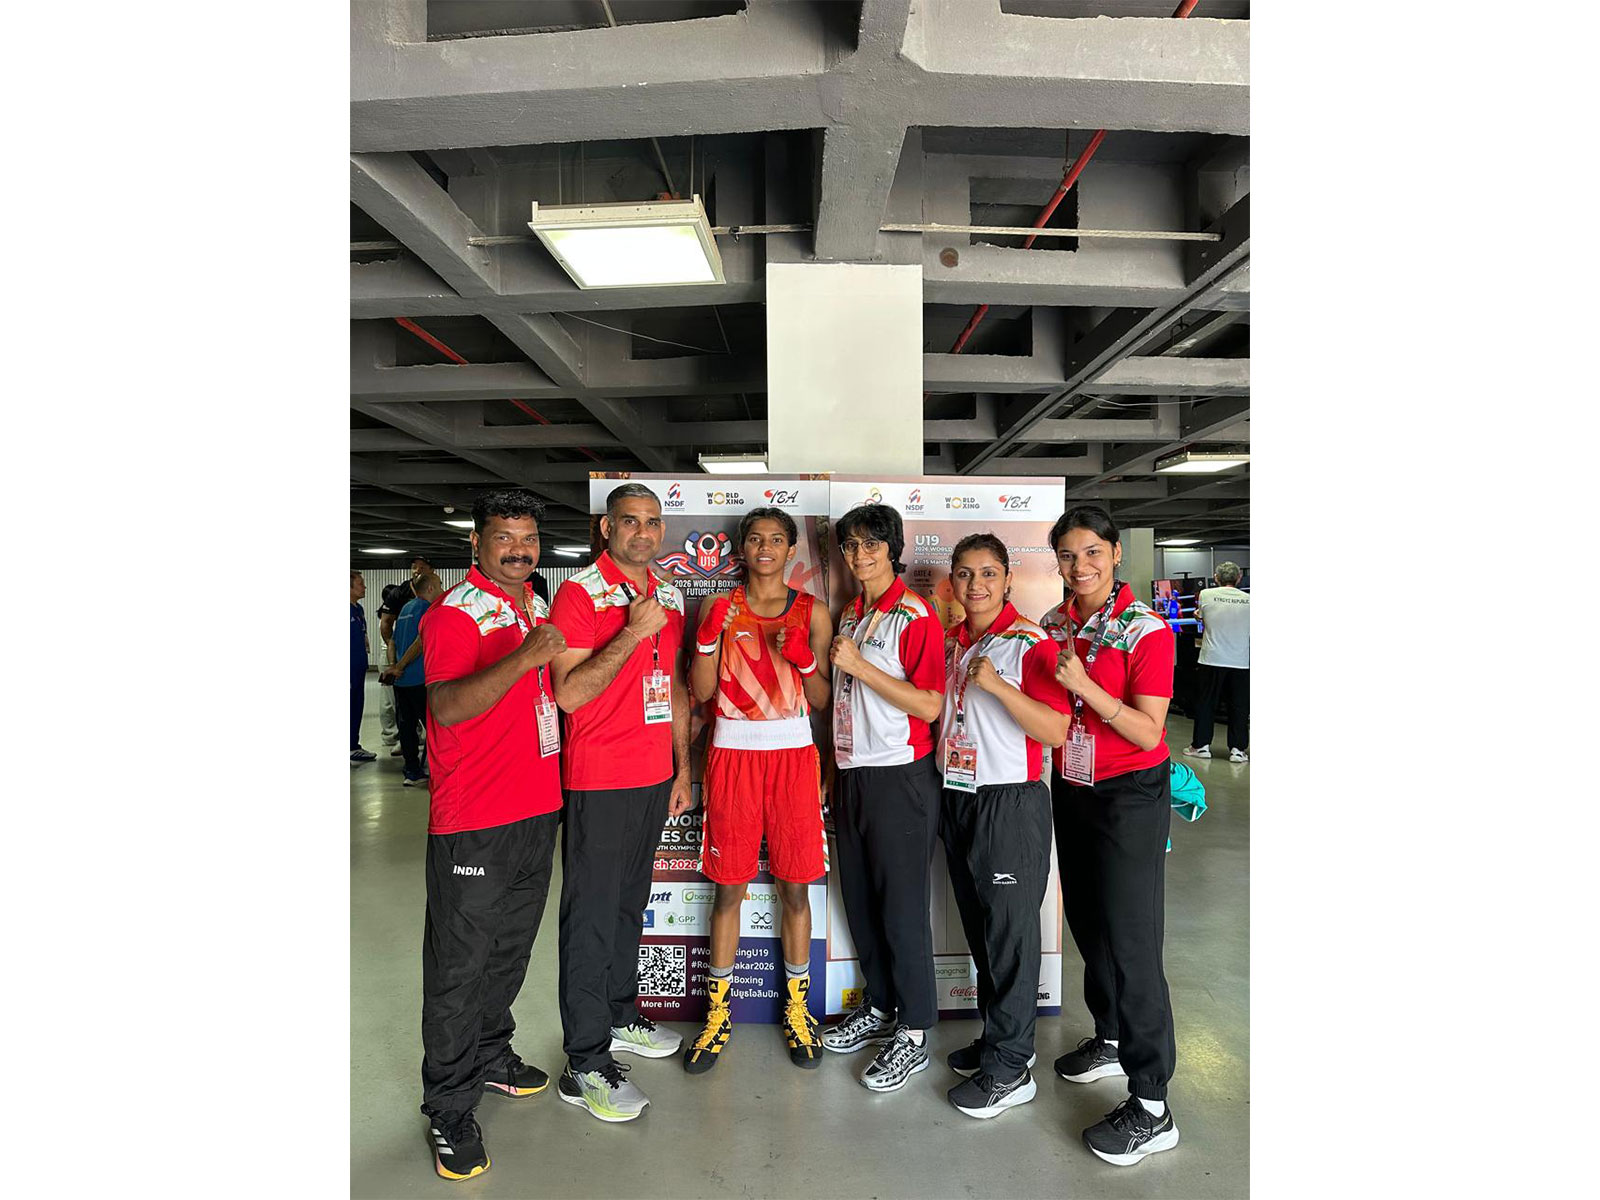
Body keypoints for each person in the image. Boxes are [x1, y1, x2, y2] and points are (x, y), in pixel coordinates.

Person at [414, 490, 569, 1181]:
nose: (518, 551)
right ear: (475, 543)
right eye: (504, 538)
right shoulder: (455, 613)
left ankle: (489, 1053)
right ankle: (449, 1106)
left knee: (508, 949)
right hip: (475, 819)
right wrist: (525, 656)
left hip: (535, 809)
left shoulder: (531, 602)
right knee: (459, 966)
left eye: (528, 539)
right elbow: (446, 707)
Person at [1040, 506, 1181, 1167]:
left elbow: (1149, 731)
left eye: (1092, 552)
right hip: (1073, 784)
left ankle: (1153, 1105)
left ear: (1116, 554)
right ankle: (1113, 1036)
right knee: (1089, 924)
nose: (1080, 566)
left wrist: (1083, 686)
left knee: (1132, 940)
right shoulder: (1057, 623)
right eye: (1068, 556)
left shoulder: (1146, 629)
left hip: (1130, 794)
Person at [548, 482, 693, 1122]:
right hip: (599, 778)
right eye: (630, 521)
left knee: (630, 904)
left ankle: (619, 1013)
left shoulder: (669, 593)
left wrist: (682, 768)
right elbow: (570, 694)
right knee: (591, 917)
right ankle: (584, 1061)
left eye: (653, 521)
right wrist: (632, 633)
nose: (643, 532)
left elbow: (676, 686)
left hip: (653, 775)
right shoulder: (580, 594)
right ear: (607, 529)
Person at [682, 507, 834, 1075]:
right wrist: (705, 641)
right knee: (728, 891)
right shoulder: (719, 606)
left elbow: (822, 699)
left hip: (793, 758)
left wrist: (805, 660)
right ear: (742, 548)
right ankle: (717, 1015)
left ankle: (798, 1011)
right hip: (732, 756)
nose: (765, 547)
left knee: (796, 888)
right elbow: (701, 692)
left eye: (775, 539)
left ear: (791, 550)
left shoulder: (812, 610)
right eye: (754, 538)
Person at [938, 534, 1073, 1119]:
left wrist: (997, 685)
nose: (977, 585)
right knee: (983, 931)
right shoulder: (953, 641)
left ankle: (1012, 1068)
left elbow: (1055, 730)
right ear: (953, 581)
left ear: (1007, 578)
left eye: (988, 573)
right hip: (959, 796)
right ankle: (999, 1037)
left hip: (1009, 802)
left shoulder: (1029, 643)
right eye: (966, 574)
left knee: (1011, 938)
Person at [818, 503, 947, 1092]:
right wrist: (833, 767)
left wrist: (861, 667)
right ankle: (881, 1005)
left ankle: (915, 1032)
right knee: (862, 902)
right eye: (850, 545)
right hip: (853, 774)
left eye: (871, 544)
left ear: (892, 550)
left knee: (901, 908)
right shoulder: (851, 613)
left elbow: (929, 704)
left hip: (900, 775)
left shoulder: (914, 614)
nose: (859, 555)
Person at [1183, 562, 1250, 763]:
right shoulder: (1250, 600)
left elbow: (1203, 618)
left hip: (1211, 659)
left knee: (1206, 703)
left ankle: (1201, 746)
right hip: (1240, 661)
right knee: (1239, 706)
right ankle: (1238, 750)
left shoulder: (1206, 594)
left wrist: (1198, 616)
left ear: (1216, 577)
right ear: (1238, 578)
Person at [390, 573, 442, 786]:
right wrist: (401, 666)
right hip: (421, 678)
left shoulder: (405, 609)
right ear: (430, 588)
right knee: (436, 727)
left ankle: (411, 771)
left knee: (407, 728)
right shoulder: (427, 609)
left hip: (401, 681)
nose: (442, 589)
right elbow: (421, 642)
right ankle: (437, 771)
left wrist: (394, 667)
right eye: (439, 585)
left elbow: (392, 641)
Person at [377, 582, 412, 755]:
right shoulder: (391, 617)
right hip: (391, 658)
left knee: (396, 700)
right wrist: (394, 662)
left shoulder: (403, 614)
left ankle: (403, 735)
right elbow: (391, 640)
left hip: (399, 657)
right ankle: (395, 736)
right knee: (393, 701)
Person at [351, 571, 377, 763]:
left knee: (356, 704)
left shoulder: (358, 609)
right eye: (360, 584)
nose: (364, 587)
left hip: (359, 666)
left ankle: (353, 744)